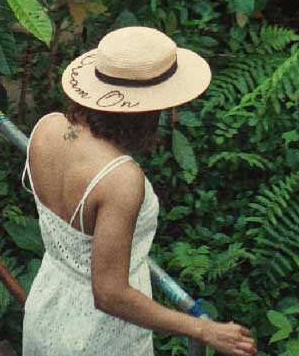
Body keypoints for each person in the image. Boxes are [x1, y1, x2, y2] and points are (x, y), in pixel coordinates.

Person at [21, 25, 257, 356]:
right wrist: (204, 329)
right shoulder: (121, 178)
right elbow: (109, 292)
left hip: (46, 307)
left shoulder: (47, 127)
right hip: (98, 338)